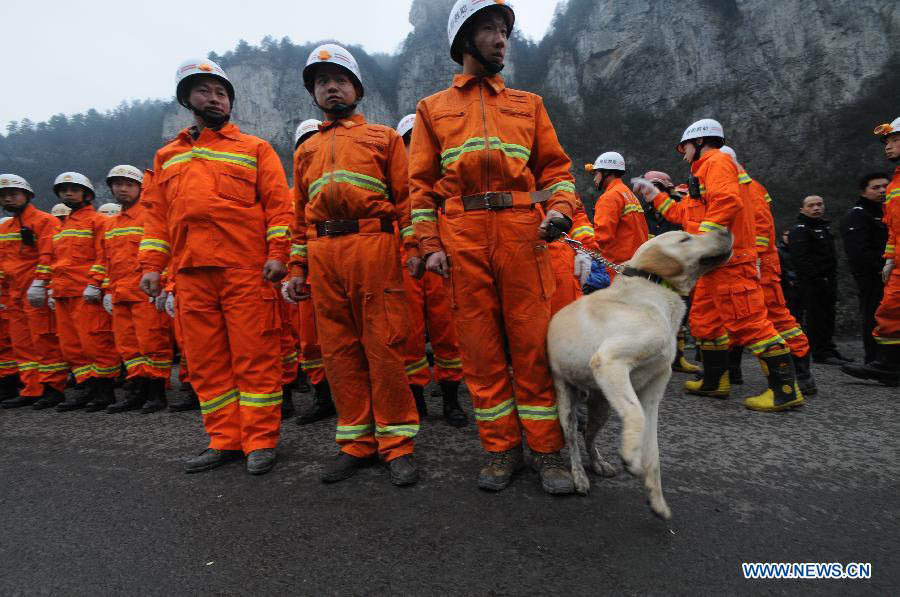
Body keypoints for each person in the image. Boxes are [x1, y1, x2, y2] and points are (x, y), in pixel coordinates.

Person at [407, 0, 576, 493]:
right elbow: (420, 187)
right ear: (464, 41)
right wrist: (429, 242)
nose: (501, 39)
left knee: (531, 347)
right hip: (462, 236)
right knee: (480, 351)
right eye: (489, 29)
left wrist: (560, 210)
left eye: (504, 30)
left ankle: (547, 451)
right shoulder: (432, 108)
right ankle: (500, 447)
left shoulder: (530, 104)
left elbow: (556, 171)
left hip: (524, 232)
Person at [139, 58, 292, 476]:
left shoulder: (255, 149)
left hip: (245, 272)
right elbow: (156, 217)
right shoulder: (167, 157)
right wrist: (152, 264)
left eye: (221, 92)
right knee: (206, 363)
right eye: (204, 91)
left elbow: (280, 208)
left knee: (254, 356)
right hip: (189, 275)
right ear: (186, 98)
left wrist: (278, 254)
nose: (214, 98)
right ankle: (225, 439)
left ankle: (260, 440)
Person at [284, 45, 420, 486]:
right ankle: (356, 442)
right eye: (322, 82)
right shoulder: (306, 151)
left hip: (373, 245)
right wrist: (297, 267)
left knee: (383, 347)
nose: (331, 87)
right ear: (314, 94)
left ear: (357, 88)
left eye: (339, 79)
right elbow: (300, 213)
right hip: (324, 253)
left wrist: (414, 247)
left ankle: (397, 444)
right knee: (339, 352)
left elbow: (406, 200)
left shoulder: (383, 138)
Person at [633, 118, 803, 412]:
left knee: (749, 322)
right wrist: (655, 195)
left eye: (684, 147)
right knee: (704, 323)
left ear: (699, 142)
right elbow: (680, 212)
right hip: (712, 266)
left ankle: (785, 391)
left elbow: (728, 202)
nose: (683, 153)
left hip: (730, 262)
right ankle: (714, 382)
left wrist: (705, 241)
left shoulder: (717, 162)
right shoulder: (702, 173)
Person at [721, 146, 816, 395]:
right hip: (747, 263)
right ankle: (731, 371)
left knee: (774, 316)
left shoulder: (749, 188)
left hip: (759, 265)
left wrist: (756, 262)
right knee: (736, 317)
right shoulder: (737, 186)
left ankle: (801, 374)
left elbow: (761, 230)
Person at [395, 113, 467, 426]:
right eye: (410, 143)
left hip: (442, 260)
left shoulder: (447, 180)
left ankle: (451, 400)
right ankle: (416, 400)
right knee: (408, 335)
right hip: (403, 263)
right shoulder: (394, 184)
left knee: (447, 331)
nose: (416, 149)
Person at [40, 172, 121, 412]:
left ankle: (104, 390)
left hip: (86, 293)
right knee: (71, 346)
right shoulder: (62, 228)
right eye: (64, 190)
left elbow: (105, 256)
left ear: (87, 194)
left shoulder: (99, 221)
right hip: (63, 293)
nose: (68, 193)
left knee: (95, 342)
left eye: (73, 190)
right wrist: (50, 289)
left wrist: (96, 283)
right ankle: (86, 387)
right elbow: (57, 262)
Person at [99, 165, 174, 414]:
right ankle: (137, 391)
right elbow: (108, 262)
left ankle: (156, 393)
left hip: (146, 293)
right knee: (128, 347)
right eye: (117, 184)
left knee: (152, 343)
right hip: (121, 294)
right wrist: (108, 291)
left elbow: (164, 252)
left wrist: (165, 287)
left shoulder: (150, 217)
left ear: (141, 188)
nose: (122, 189)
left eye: (129, 184)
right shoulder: (111, 224)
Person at [0, 175, 68, 409]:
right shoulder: (6, 227)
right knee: (22, 344)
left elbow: (50, 256)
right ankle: (32, 388)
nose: (8, 198)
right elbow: (3, 262)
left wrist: (41, 284)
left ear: (27, 195)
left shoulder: (45, 221)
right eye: (4, 195)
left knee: (44, 341)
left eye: (13, 194)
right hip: (14, 295)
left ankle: (53, 388)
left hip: (36, 292)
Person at [285, 118, 336, 426]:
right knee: (311, 342)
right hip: (308, 275)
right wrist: (293, 271)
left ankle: (354, 395)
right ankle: (323, 397)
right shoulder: (291, 194)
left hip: (337, 270)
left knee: (350, 338)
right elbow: (290, 233)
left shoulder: (338, 182)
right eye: (302, 144)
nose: (308, 148)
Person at [842, 117, 900, 386]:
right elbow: (893, 227)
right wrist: (889, 259)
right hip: (897, 261)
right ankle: (888, 365)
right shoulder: (895, 181)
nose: (888, 147)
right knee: (889, 311)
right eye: (887, 142)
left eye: (895, 140)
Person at [639, 170, 698, 374]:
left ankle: (678, 358)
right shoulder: (644, 211)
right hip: (652, 268)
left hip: (677, 268)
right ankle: (652, 357)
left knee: (678, 311)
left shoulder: (678, 208)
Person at [788, 195, 851, 364]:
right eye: (811, 205)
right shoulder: (800, 230)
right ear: (802, 209)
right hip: (811, 282)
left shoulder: (824, 228)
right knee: (816, 316)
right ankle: (820, 352)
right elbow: (800, 259)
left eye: (819, 204)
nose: (816, 208)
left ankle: (829, 348)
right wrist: (816, 278)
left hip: (828, 279)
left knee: (828, 315)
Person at [839, 173, 890, 364]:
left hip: (889, 274)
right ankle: (874, 359)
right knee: (874, 316)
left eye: (885, 186)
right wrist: (880, 269)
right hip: (873, 277)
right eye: (875, 187)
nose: (882, 190)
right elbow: (858, 251)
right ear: (864, 192)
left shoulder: (885, 212)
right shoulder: (858, 215)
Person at [587, 152, 649, 279]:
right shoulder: (628, 194)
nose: (594, 178)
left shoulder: (609, 197)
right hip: (636, 265)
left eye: (596, 173)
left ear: (606, 173)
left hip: (618, 269)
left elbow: (601, 237)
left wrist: (583, 248)